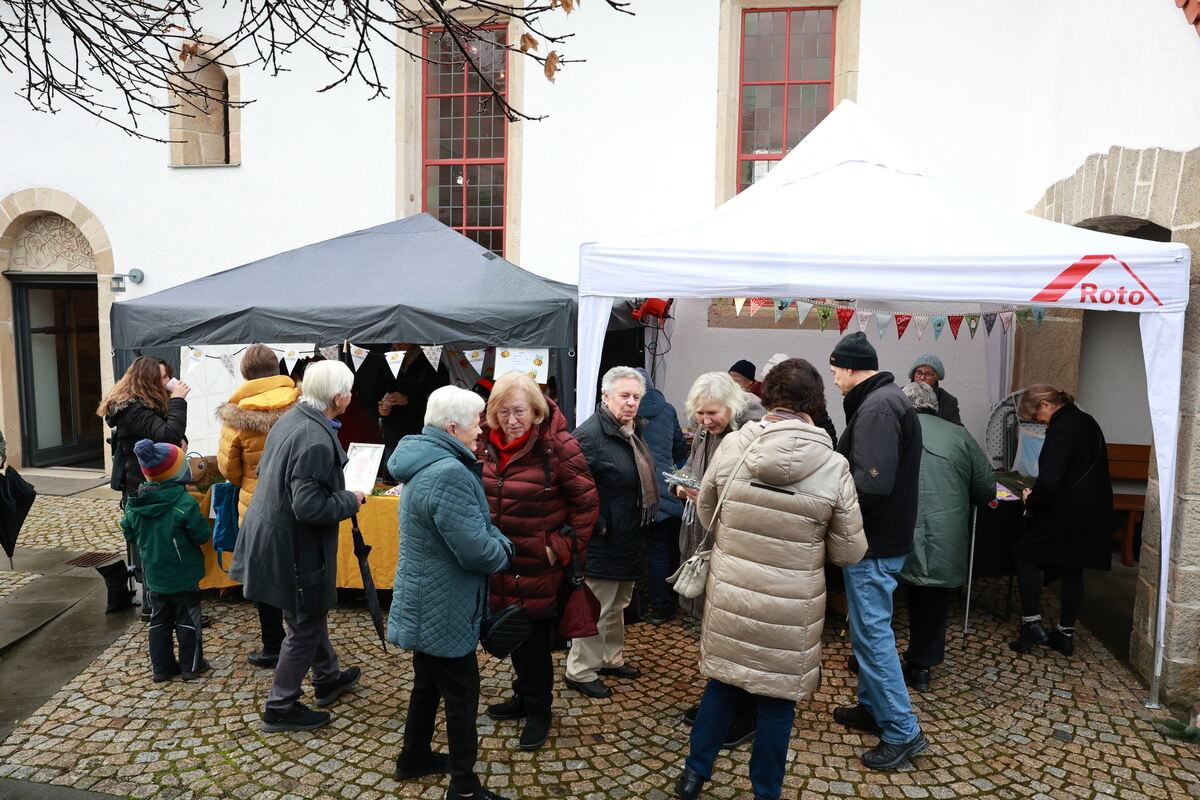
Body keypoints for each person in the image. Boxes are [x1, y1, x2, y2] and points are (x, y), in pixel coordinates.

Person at [675, 358, 866, 800]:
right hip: (790, 604)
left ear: (766, 397)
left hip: (733, 590)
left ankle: (694, 775)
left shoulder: (733, 446)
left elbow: (708, 511)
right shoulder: (834, 466)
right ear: (816, 405)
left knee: (721, 687)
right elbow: (848, 551)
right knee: (777, 705)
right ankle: (766, 791)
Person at [388, 385, 515, 800]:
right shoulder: (449, 472)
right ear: (453, 426)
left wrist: (487, 533)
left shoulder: (429, 461)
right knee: (462, 695)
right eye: (478, 421)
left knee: (427, 683)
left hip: (429, 597)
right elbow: (478, 551)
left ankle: (414, 757)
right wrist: (504, 546)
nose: (483, 429)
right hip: (443, 605)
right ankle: (463, 786)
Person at [229, 360, 366, 733]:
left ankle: (327, 677)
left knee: (307, 614)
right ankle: (280, 706)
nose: (351, 396)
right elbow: (308, 507)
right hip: (290, 546)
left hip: (274, 536)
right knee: (305, 623)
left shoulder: (293, 418)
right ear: (339, 398)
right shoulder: (315, 439)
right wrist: (351, 499)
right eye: (349, 390)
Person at [478, 371, 599, 751]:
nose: (511, 421)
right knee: (513, 637)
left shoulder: (558, 446)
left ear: (536, 410)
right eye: (502, 412)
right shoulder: (483, 444)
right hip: (499, 562)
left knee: (532, 644)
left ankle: (539, 711)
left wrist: (561, 547)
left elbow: (588, 504)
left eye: (519, 412)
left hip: (538, 565)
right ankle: (522, 696)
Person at [827, 331, 928, 771]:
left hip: (874, 542)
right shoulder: (883, 399)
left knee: (873, 635)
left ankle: (903, 732)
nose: (833, 379)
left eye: (835, 371)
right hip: (882, 540)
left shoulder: (879, 406)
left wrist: (838, 518)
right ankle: (872, 706)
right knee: (869, 628)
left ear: (850, 367)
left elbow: (872, 482)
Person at [565, 366, 657, 699]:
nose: (631, 402)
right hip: (603, 538)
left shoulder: (630, 430)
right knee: (596, 606)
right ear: (606, 397)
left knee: (618, 603)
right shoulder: (589, 435)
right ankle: (580, 670)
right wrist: (600, 523)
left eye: (636, 397)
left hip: (629, 533)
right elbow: (574, 487)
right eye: (624, 396)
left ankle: (609, 658)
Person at [897, 381, 994, 691]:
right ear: (935, 406)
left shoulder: (896, 432)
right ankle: (921, 666)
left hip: (897, 532)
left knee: (881, 597)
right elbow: (986, 489)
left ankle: (870, 660)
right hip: (945, 536)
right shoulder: (960, 435)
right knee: (934, 601)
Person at [1009, 384, 1114, 656]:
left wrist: (1031, 499)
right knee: (1072, 568)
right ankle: (1065, 634)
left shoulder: (1061, 427)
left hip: (1068, 509)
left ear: (1045, 405)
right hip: (1094, 508)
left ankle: (1032, 625)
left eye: (1034, 417)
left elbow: (1052, 478)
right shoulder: (1086, 421)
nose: (1037, 423)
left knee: (1025, 554)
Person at [216, 343, 300, 669]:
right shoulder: (299, 406)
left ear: (245, 373)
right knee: (298, 567)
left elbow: (229, 470)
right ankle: (303, 638)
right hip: (297, 499)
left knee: (263, 573)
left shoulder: (236, 416)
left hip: (256, 505)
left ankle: (273, 645)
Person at [98, 356, 190, 619]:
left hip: (152, 485)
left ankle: (163, 605)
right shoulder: (133, 409)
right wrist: (178, 400)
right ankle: (155, 608)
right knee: (153, 550)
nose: (168, 381)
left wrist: (179, 440)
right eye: (162, 377)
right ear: (147, 380)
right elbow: (167, 434)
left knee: (162, 548)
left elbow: (169, 435)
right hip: (144, 488)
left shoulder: (143, 405)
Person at [121, 439, 211, 682]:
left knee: (159, 621)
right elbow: (201, 535)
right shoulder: (184, 504)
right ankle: (192, 666)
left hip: (154, 573)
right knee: (188, 618)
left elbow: (128, 531)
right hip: (183, 575)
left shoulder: (135, 505)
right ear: (179, 474)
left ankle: (162, 669)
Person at [677, 372, 765, 620]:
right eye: (699, 413)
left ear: (732, 406)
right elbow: (690, 465)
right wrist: (679, 486)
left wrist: (706, 495)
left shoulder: (750, 435)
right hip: (700, 530)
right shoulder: (705, 433)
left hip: (728, 534)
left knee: (725, 608)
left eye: (712, 413)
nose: (705, 421)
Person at [632, 368, 688, 625]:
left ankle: (631, 605)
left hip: (635, 488)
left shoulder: (625, 409)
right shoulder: (667, 409)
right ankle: (662, 606)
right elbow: (678, 447)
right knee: (659, 551)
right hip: (663, 488)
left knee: (631, 549)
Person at [378, 343, 451, 465]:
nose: (397, 343)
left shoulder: (432, 363)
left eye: (402, 338)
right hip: (393, 434)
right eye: (394, 338)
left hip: (421, 435)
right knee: (390, 478)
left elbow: (441, 404)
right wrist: (382, 408)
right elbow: (377, 392)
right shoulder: (387, 360)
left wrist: (408, 401)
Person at [909, 354, 962, 426]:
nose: (922, 378)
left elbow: (956, 429)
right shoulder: (902, 395)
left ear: (936, 378)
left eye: (928, 374)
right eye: (919, 373)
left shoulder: (947, 401)